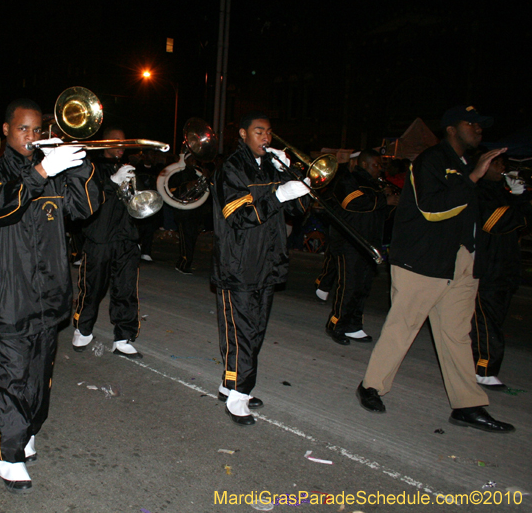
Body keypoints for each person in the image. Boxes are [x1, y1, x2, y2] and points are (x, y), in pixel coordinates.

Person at [356, 106, 514, 433]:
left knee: (457, 335)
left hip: (460, 261)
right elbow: (431, 208)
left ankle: (467, 405)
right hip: (424, 260)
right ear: (451, 129)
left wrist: (499, 185)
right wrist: (473, 177)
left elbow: (481, 213)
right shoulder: (430, 161)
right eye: (471, 123)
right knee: (404, 326)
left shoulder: (467, 166)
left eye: (481, 124)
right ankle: (371, 386)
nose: (478, 128)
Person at [0, 99, 98, 493]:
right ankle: (7, 454)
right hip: (7, 294)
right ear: (5, 130)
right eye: (24, 129)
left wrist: (78, 166)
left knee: (39, 376)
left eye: (37, 129)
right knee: (11, 377)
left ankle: (27, 431)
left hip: (48, 292)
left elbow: (85, 208)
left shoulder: (52, 168)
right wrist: (43, 171)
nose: (32, 136)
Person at [210, 111, 310, 426]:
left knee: (256, 330)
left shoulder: (271, 165)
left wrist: (295, 177)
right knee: (241, 332)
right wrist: (279, 194)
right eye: (258, 131)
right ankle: (240, 393)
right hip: (237, 263)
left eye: (268, 132)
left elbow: (298, 208)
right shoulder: (231, 168)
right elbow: (239, 215)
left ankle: (231, 385)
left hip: (268, 261)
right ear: (242, 134)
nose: (265, 138)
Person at [71, 126, 144, 359]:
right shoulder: (90, 166)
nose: (120, 146)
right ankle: (83, 328)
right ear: (104, 143)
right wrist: (113, 182)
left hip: (125, 238)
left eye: (124, 142)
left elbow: (134, 204)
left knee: (126, 289)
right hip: (99, 237)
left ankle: (123, 337)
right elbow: (89, 199)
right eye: (115, 141)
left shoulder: (130, 168)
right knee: (92, 288)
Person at [469, 156, 531, 389]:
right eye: (497, 164)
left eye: (503, 164)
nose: (502, 168)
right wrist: (521, 202)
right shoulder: (479, 191)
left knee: (494, 318)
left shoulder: (502, 192)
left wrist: (520, 196)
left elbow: (522, 222)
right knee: (487, 320)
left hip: (505, 265)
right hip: (487, 266)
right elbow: (495, 221)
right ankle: (483, 368)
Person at [324, 149, 398, 345]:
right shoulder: (348, 179)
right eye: (376, 165)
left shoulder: (375, 185)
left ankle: (353, 325)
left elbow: (378, 215)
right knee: (349, 286)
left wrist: (390, 204)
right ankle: (336, 325)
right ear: (364, 164)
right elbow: (352, 202)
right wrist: (384, 199)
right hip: (350, 242)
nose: (379, 169)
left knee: (363, 287)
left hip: (368, 242)